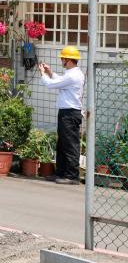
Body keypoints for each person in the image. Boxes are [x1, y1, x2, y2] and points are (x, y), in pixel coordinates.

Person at [38, 46, 85, 185]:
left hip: (70, 113)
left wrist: (43, 73)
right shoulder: (71, 73)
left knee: (70, 145)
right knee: (62, 144)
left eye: (62, 58)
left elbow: (52, 85)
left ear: (68, 60)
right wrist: (50, 72)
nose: (61, 60)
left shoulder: (72, 75)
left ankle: (71, 176)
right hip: (67, 112)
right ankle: (61, 173)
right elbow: (59, 80)